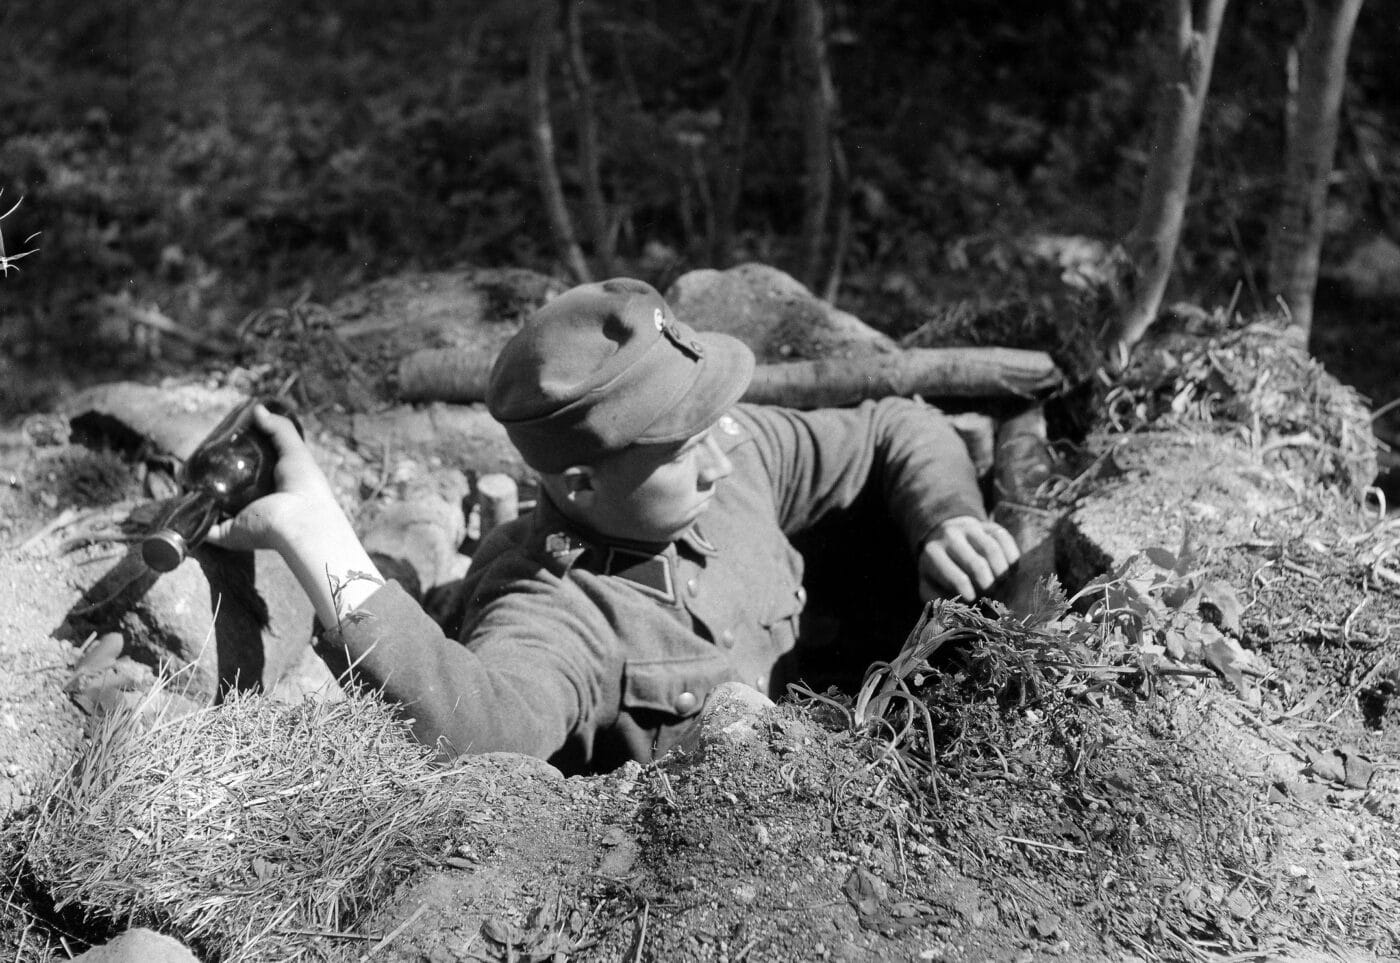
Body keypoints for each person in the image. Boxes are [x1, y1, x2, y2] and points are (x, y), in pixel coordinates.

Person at [210, 278, 1018, 773]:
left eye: (713, 425)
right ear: (580, 481)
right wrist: (320, 538)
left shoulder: (724, 457)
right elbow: (477, 727)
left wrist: (946, 521)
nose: (721, 458)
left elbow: (895, 426)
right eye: (685, 444)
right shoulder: (553, 605)